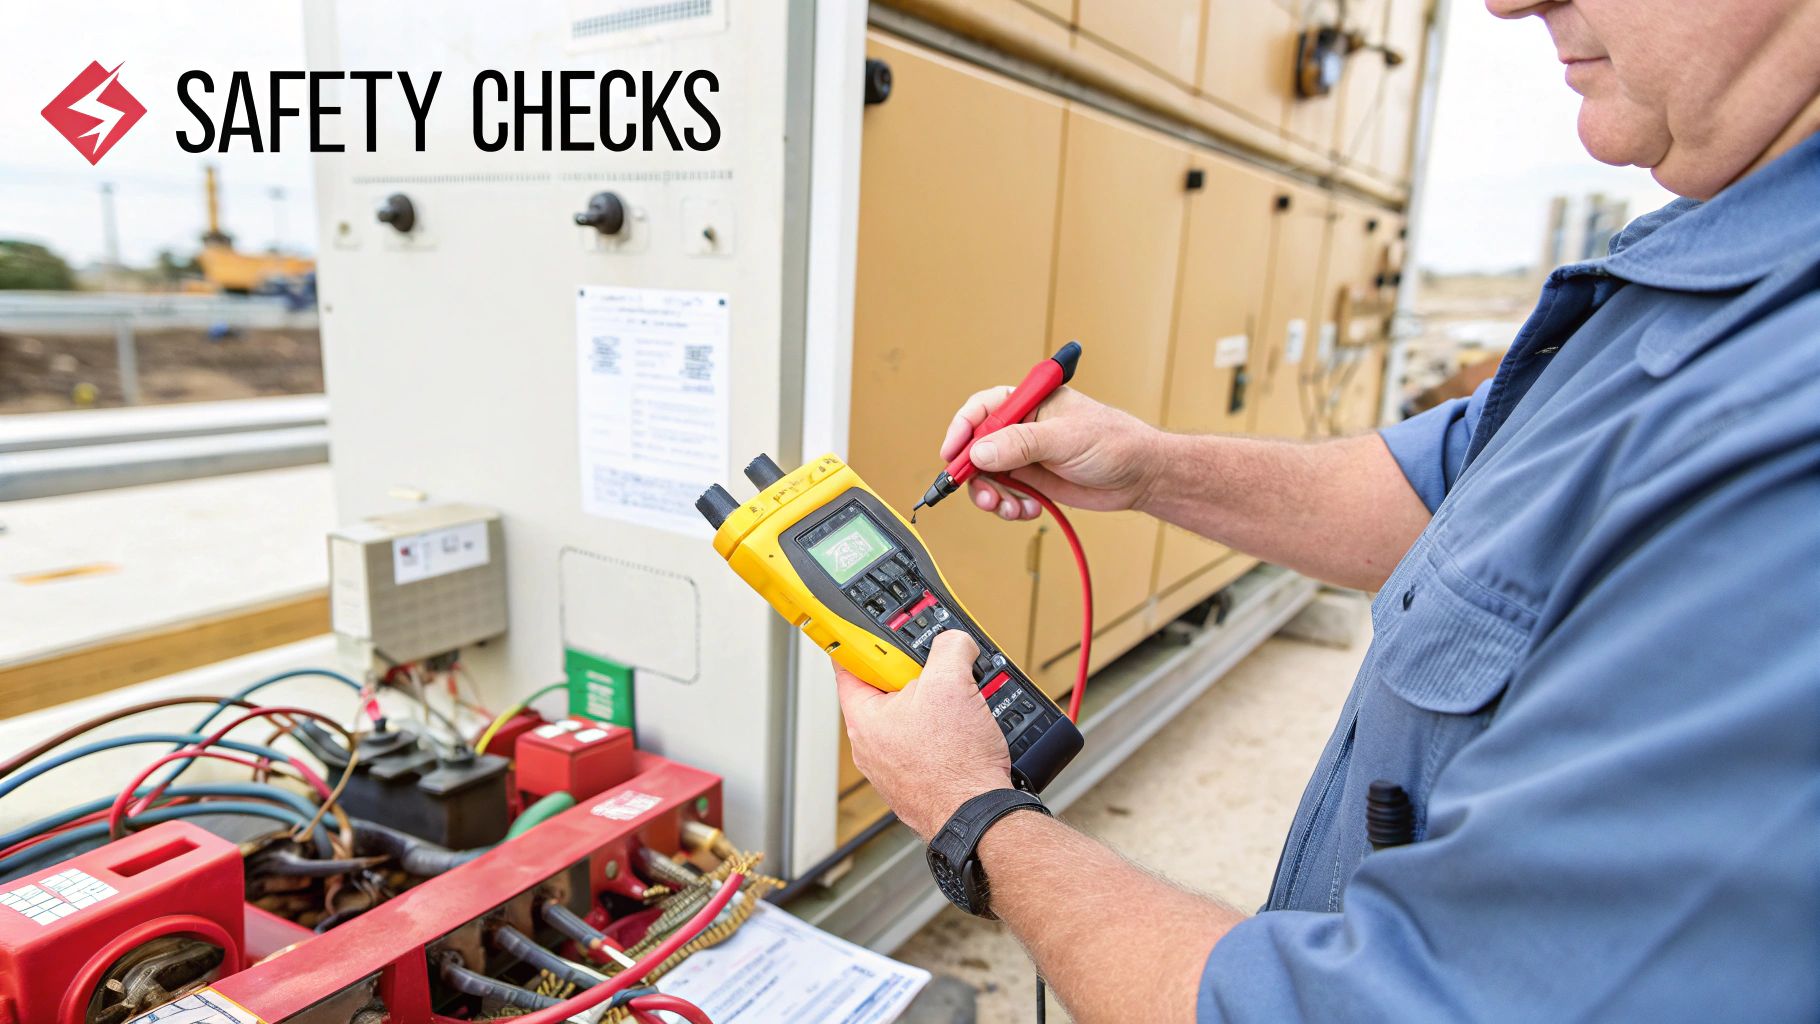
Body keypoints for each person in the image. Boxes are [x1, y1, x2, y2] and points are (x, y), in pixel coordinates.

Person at [835, 0, 1820, 1019]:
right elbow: (1438, 490)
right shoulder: (1677, 288)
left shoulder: (1785, 436)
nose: (1507, 1)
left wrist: (973, 812)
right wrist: (1146, 469)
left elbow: (1373, 1008)